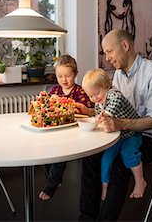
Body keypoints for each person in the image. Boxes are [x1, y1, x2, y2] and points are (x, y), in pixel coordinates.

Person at [79, 29, 152, 220]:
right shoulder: (118, 75)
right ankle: (86, 217)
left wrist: (119, 124)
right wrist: (90, 112)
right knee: (90, 155)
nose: (107, 57)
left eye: (109, 51)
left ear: (125, 46)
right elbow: (113, 108)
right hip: (126, 132)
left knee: (120, 163)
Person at [81, 68, 146, 202]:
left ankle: (140, 181)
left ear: (107, 86)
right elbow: (99, 117)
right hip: (117, 136)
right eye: (90, 96)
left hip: (131, 133)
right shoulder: (99, 103)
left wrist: (106, 115)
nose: (94, 98)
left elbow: (115, 102)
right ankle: (105, 185)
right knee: (106, 159)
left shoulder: (113, 94)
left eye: (97, 93)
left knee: (128, 154)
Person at [39, 54, 94, 201]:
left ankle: (51, 185)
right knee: (45, 153)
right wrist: (45, 101)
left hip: (73, 132)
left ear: (75, 74)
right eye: (60, 76)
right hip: (56, 130)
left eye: (68, 76)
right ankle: (55, 179)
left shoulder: (81, 92)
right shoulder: (55, 91)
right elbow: (47, 107)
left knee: (59, 155)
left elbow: (90, 110)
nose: (64, 80)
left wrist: (80, 109)